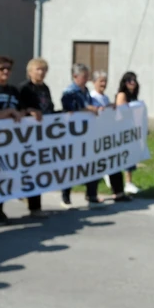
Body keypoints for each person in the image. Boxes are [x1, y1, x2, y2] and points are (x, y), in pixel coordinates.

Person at [0, 56, 41, 224]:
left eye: (8, 69)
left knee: (6, 175)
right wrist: (7, 114)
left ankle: (0, 211)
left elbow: (19, 111)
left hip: (10, 142)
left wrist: (21, 113)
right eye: (1, 68)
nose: (5, 71)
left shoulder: (13, 90)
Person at [60, 63, 103, 209]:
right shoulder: (69, 92)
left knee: (92, 164)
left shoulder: (86, 91)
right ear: (75, 76)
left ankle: (91, 195)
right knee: (71, 166)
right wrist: (88, 109)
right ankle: (65, 196)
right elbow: (70, 109)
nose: (86, 80)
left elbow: (93, 106)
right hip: (73, 134)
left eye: (87, 76)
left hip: (88, 133)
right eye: (84, 77)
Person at [19, 58, 55, 217]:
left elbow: (49, 106)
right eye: (38, 69)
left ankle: (35, 207)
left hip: (43, 134)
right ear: (30, 72)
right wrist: (29, 111)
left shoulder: (45, 88)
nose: (41, 73)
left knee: (38, 170)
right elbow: (19, 108)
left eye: (44, 70)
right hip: (28, 135)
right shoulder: (24, 88)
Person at [91, 70, 131, 203]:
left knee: (114, 163)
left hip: (107, 135)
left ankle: (118, 192)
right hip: (96, 136)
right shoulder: (92, 97)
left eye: (105, 81)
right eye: (101, 81)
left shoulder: (105, 97)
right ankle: (92, 194)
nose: (103, 84)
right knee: (97, 167)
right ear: (94, 82)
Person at [115, 71, 141, 194]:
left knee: (131, 155)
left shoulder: (133, 96)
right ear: (125, 83)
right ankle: (127, 182)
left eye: (134, 80)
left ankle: (128, 181)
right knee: (125, 155)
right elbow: (121, 112)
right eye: (130, 80)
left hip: (131, 127)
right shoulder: (122, 95)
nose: (133, 83)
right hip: (122, 128)